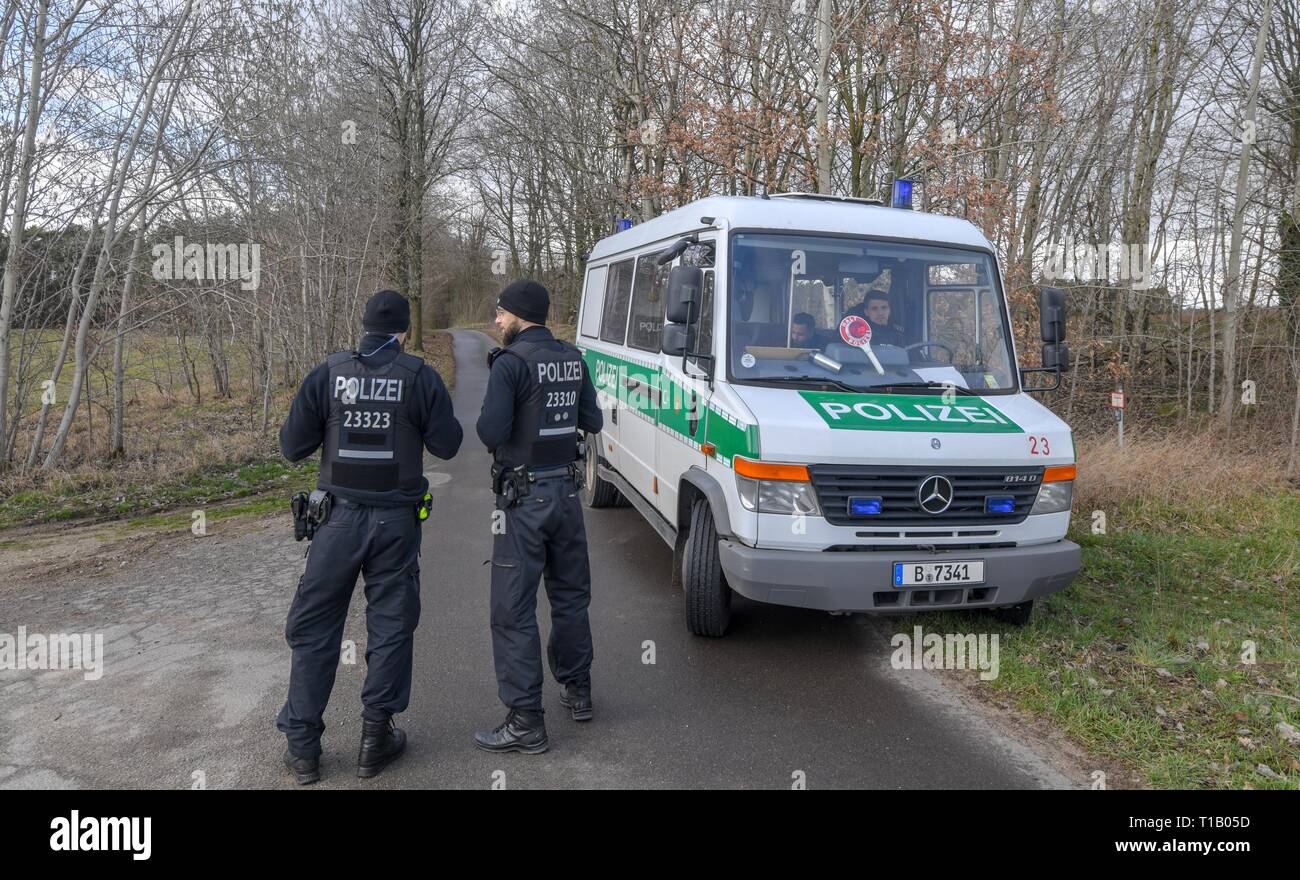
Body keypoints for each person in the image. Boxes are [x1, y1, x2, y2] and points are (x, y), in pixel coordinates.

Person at [276, 289, 462, 784]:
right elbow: (448, 444)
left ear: (363, 327)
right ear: (403, 332)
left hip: (335, 522)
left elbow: (291, 446)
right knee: (391, 625)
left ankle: (302, 750)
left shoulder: (329, 372)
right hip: (396, 524)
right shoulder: (419, 376)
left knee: (316, 628)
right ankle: (374, 742)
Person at [474, 279, 603, 754]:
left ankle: (526, 719)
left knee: (512, 608)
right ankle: (578, 690)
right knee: (570, 597)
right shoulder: (573, 358)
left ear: (519, 316)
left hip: (523, 501)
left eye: (502, 313)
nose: (497, 320)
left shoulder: (510, 364)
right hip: (567, 496)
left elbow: (490, 431)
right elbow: (593, 422)